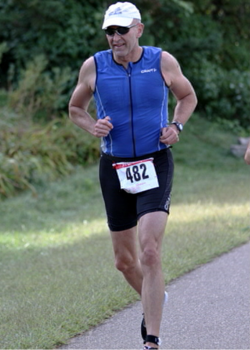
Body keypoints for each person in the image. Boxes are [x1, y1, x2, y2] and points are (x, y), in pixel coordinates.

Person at [68, 2, 197, 349]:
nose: (115, 37)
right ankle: (155, 297)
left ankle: (151, 339)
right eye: (110, 31)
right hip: (115, 167)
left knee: (150, 251)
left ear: (138, 29)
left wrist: (176, 125)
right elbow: (75, 108)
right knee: (125, 262)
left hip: (155, 162)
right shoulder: (94, 67)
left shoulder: (161, 61)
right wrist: (91, 125)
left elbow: (187, 96)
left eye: (121, 30)